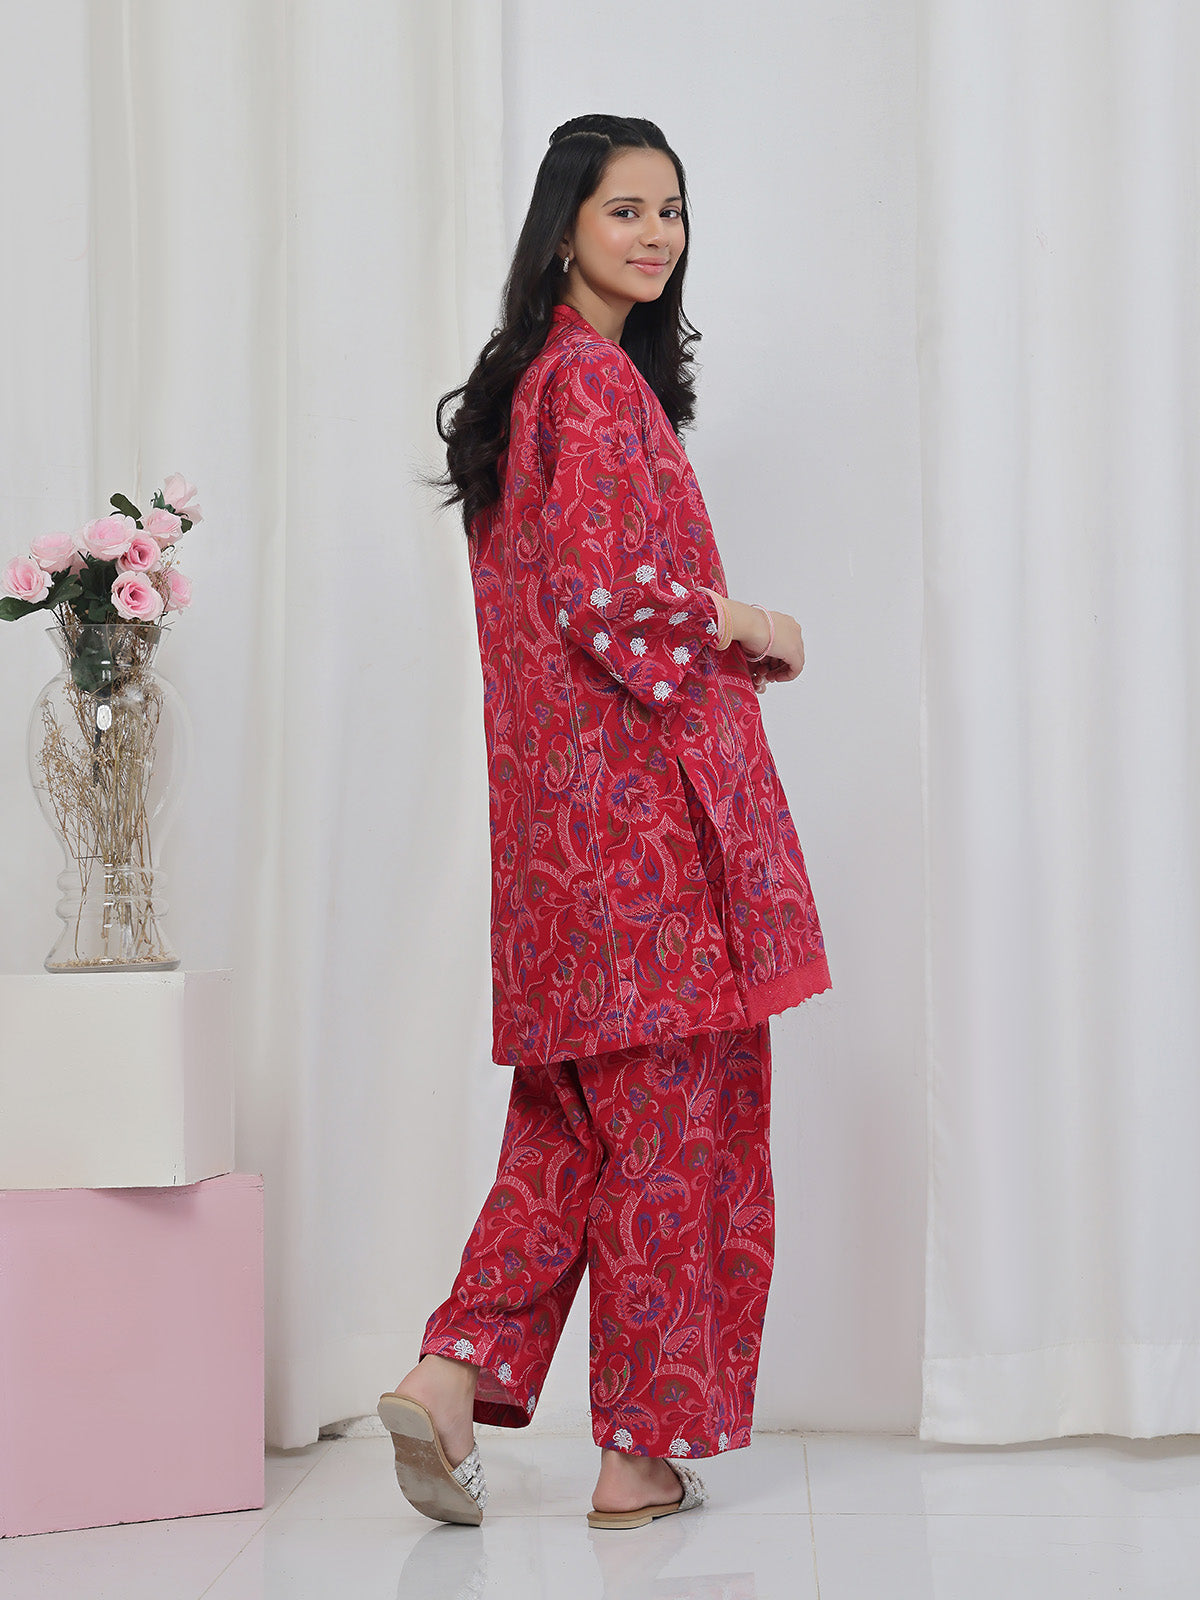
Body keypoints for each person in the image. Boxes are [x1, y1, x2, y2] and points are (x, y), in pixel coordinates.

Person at [377, 113, 831, 1532]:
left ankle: (452, 1371)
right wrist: (754, 624)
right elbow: (607, 598)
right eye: (624, 208)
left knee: (570, 1130)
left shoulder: (531, 386)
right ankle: (640, 1454)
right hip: (644, 849)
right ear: (563, 224)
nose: (654, 235)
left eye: (670, 211)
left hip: (555, 846)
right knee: (680, 1135)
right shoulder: (590, 385)